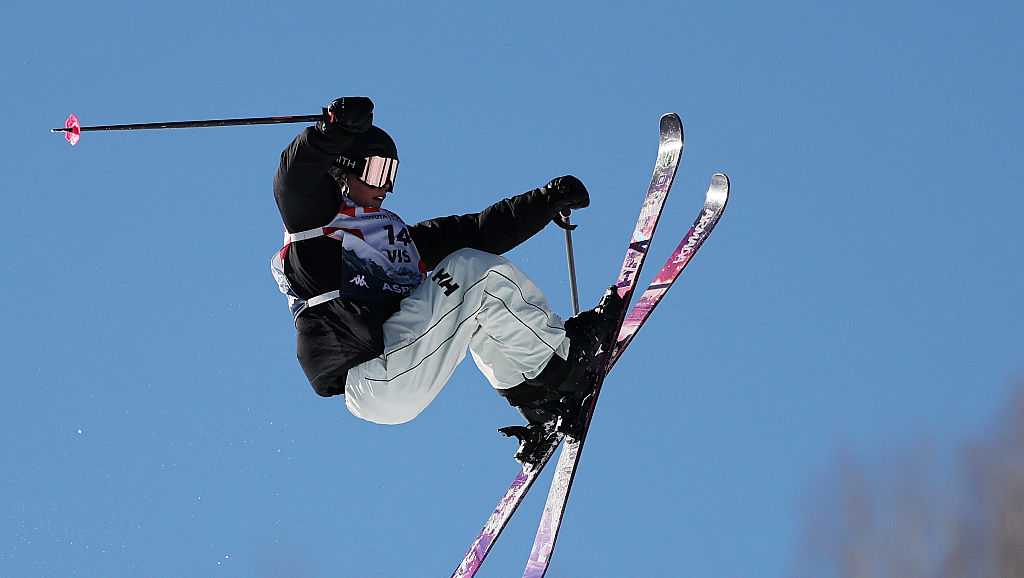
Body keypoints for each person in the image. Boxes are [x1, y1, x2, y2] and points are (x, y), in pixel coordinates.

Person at [271, 96, 623, 427]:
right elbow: (294, 176)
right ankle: (563, 363)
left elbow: (479, 231)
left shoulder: (398, 244)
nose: (386, 187)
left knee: (472, 291)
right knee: (472, 272)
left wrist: (544, 202)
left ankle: (534, 394)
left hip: (396, 363)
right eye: (377, 172)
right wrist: (332, 131)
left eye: (391, 174)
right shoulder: (314, 227)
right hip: (373, 375)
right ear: (342, 170)